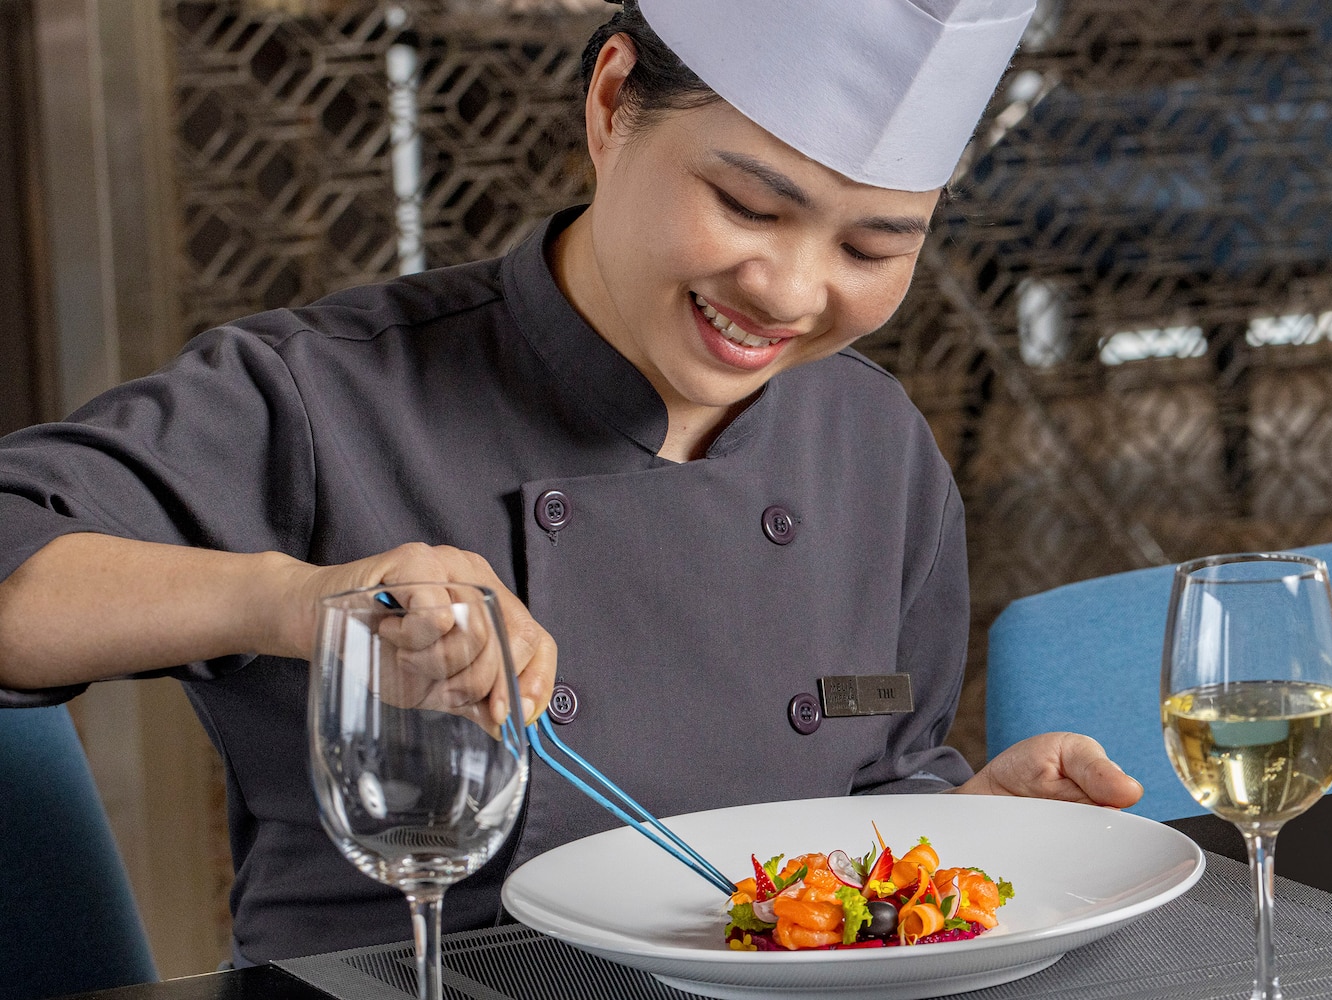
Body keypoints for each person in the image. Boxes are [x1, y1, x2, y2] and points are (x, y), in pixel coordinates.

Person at [0, 0, 1142, 966]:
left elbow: (863, 797)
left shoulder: (874, 439)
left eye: (871, 249)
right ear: (609, 105)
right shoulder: (322, 395)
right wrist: (305, 603)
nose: (790, 291)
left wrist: (958, 838)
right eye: (748, 205)